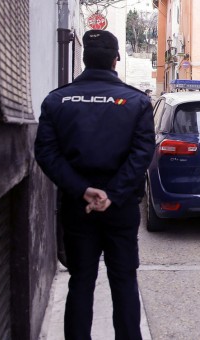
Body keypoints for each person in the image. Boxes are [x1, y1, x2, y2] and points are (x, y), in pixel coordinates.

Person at [35, 29, 155, 340]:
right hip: (121, 207)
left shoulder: (57, 100)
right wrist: (112, 195)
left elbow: (46, 153)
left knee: (81, 281)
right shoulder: (136, 102)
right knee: (124, 282)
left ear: (84, 59)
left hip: (78, 207)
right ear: (116, 60)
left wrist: (83, 190)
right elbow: (142, 154)